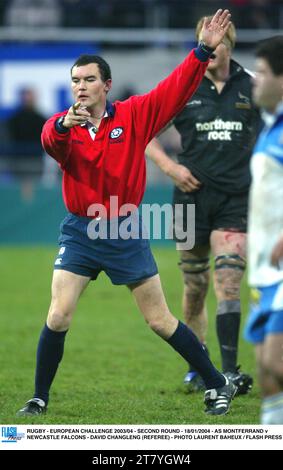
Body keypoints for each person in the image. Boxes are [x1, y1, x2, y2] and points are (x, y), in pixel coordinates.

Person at [17, 10, 237, 418]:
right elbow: (51, 142)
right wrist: (64, 125)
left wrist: (203, 50)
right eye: (75, 81)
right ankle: (39, 398)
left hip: (124, 227)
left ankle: (215, 381)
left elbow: (173, 90)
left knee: (159, 320)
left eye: (88, 80)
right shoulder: (64, 127)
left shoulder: (134, 115)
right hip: (80, 231)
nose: (80, 87)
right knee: (58, 314)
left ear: (107, 85)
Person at [146, 17, 261, 393]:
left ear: (230, 43)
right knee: (194, 285)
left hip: (235, 196)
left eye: (215, 45)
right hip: (188, 199)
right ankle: (199, 364)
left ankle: (229, 371)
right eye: (203, 44)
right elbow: (144, 133)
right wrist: (170, 167)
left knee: (229, 279)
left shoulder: (254, 87)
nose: (209, 51)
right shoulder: (185, 85)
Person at [245, 36, 283, 424]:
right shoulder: (270, 126)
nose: (254, 80)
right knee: (266, 372)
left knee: (276, 359)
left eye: (262, 72)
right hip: (263, 269)